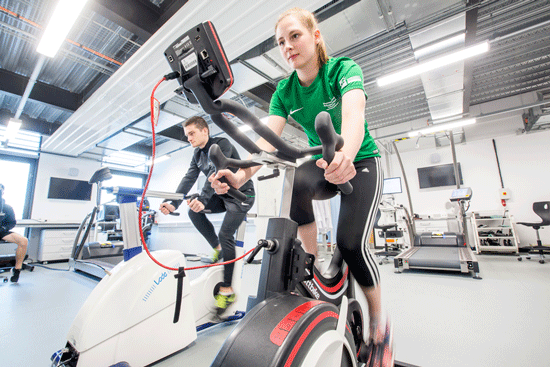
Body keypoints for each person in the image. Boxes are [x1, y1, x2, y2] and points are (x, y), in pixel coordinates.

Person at [209, 7, 393, 365]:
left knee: (352, 246)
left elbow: (354, 117)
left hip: (362, 161)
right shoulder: (286, 90)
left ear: (315, 36)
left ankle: (378, 327)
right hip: (323, 161)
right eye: (281, 42)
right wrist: (240, 176)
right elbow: (266, 144)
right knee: (294, 187)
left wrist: (347, 156)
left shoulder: (342, 70)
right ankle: (317, 269)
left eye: (294, 36)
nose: (287, 46)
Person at [159, 116, 255, 314]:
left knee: (225, 234)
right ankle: (218, 249)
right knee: (193, 211)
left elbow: (217, 170)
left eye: (192, 133)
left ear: (205, 131)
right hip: (221, 196)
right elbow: (189, 178)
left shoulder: (221, 145)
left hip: (241, 196)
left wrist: (203, 199)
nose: (189, 139)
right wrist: (173, 203)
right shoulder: (197, 155)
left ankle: (228, 291)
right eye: (187, 136)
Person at [0, 185, 28, 283]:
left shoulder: (7, 208)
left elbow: (12, 222)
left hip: (1, 231)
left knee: (23, 241)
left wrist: (4, 228)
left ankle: (17, 270)